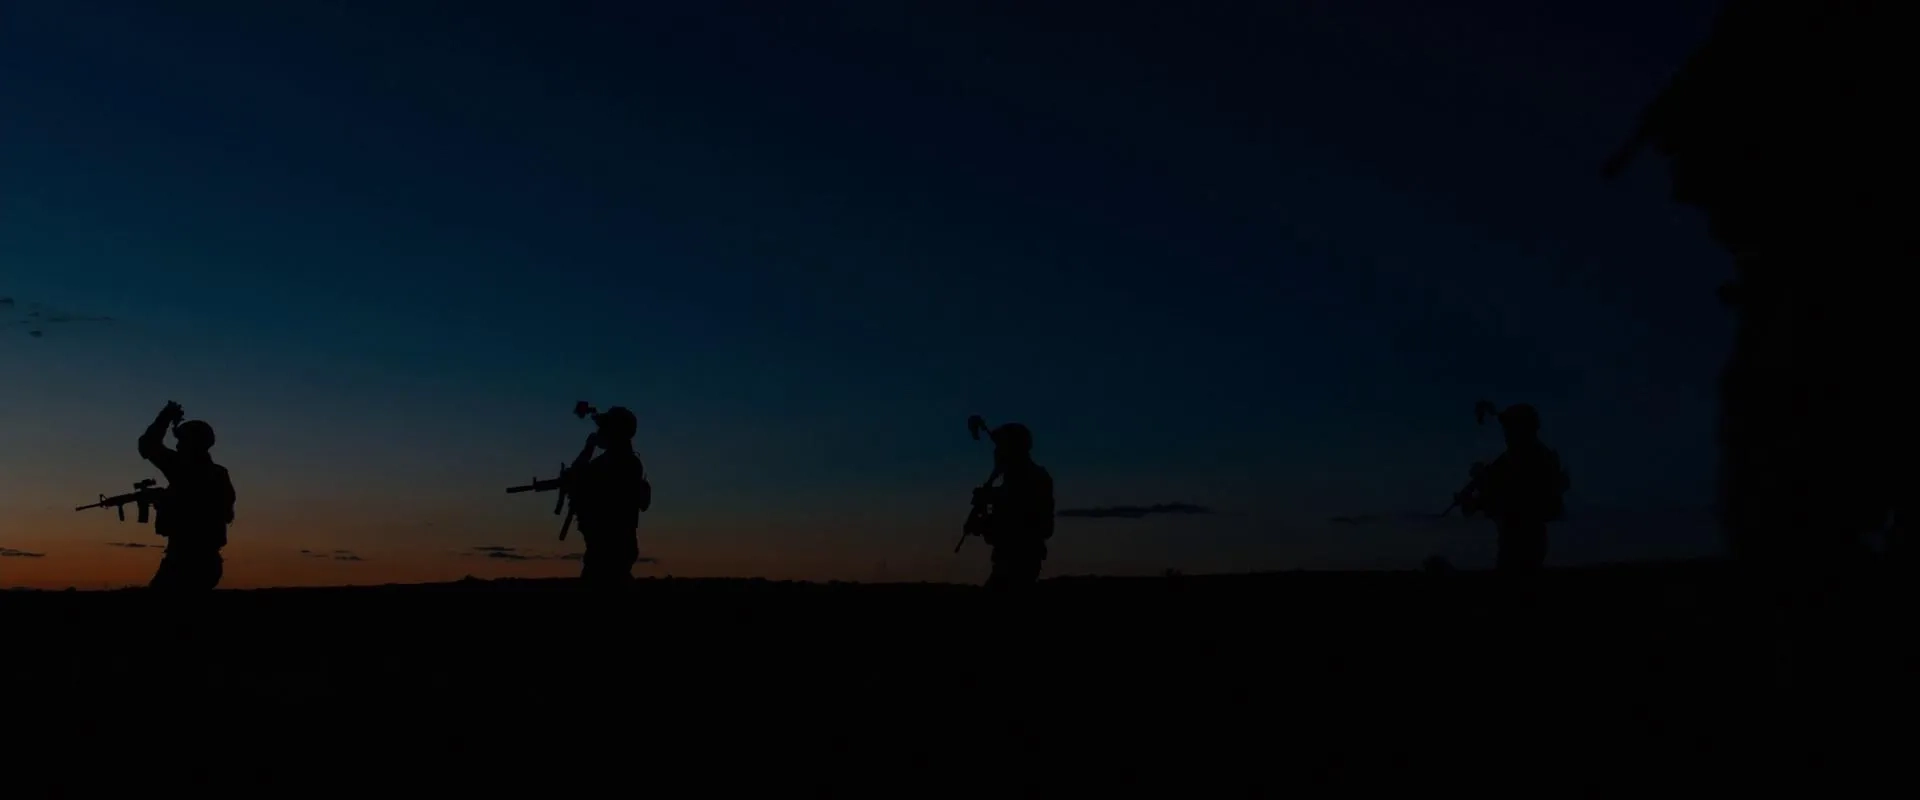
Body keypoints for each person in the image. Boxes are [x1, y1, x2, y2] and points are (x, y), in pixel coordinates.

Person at [1457, 404, 1569, 575]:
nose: (1506, 433)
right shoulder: (1514, 456)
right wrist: (1474, 499)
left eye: (1510, 427)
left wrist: (1483, 483)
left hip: (1524, 542)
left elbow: (1516, 499)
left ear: (1524, 428)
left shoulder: (1535, 458)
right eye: (1506, 428)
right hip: (1516, 540)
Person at [138, 401, 236, 591]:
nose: (178, 445)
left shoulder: (181, 467)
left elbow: (147, 446)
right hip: (208, 564)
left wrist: (165, 417)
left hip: (185, 562)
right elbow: (223, 512)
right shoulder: (219, 473)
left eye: (182, 441)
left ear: (192, 443)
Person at [567, 406, 650, 586]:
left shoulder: (623, 463)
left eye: (604, 427)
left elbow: (579, 475)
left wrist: (588, 449)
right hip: (608, 548)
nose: (599, 431)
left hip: (610, 549)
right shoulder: (621, 461)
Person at [970, 423, 1055, 589]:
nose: (996, 452)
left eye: (1001, 447)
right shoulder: (1025, 477)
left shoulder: (1026, 479)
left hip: (1017, 563)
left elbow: (1019, 522)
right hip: (1016, 561)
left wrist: (983, 524)